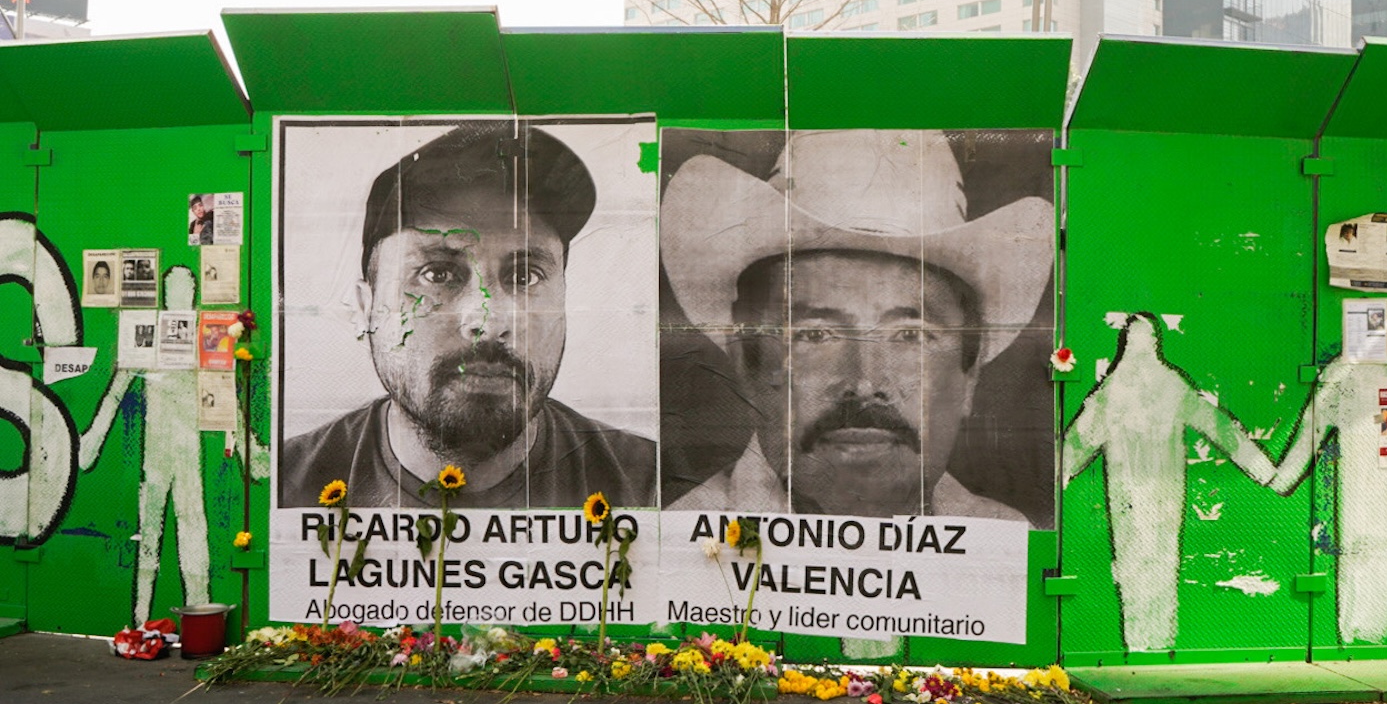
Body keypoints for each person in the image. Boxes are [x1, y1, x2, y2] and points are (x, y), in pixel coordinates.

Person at [660, 128, 1053, 520]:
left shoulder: (1010, 546)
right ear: (746, 365)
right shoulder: (681, 553)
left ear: (970, 377)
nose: (865, 383)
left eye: (909, 335)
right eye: (816, 335)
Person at [280, 124, 657, 510]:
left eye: (526, 276)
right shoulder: (283, 488)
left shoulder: (654, 488)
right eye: (437, 274)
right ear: (364, 309)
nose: (489, 322)